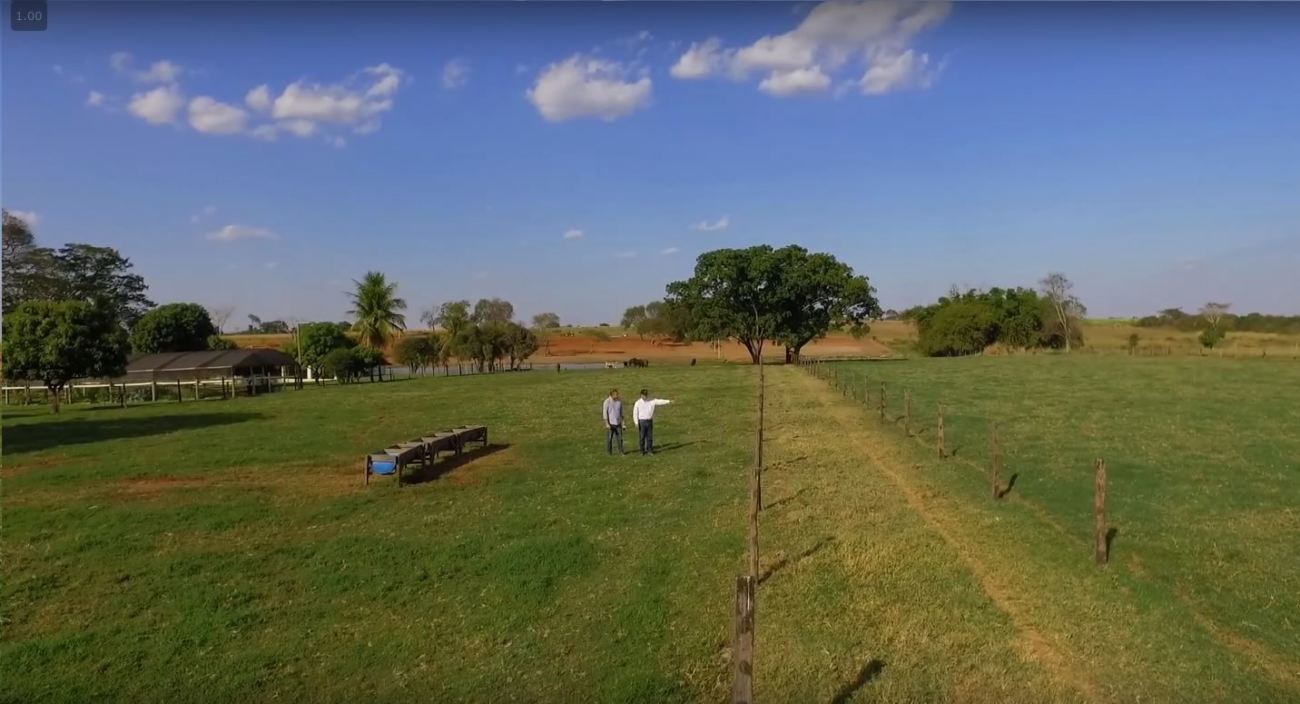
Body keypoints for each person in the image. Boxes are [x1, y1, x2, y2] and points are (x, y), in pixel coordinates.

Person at [632, 388, 672, 455]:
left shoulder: (651, 401)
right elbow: (635, 413)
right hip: (641, 422)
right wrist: (636, 422)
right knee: (642, 437)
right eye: (644, 395)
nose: (645, 396)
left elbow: (659, 401)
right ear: (641, 395)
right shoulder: (637, 403)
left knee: (649, 437)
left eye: (646, 395)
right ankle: (642, 451)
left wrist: (668, 401)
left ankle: (649, 450)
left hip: (649, 421)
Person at [602, 388, 625, 455]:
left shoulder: (619, 402)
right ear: (611, 395)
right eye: (615, 394)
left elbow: (621, 413)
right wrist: (607, 423)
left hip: (618, 423)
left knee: (620, 439)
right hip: (610, 424)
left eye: (617, 394)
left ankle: (621, 452)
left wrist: (623, 423)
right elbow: (604, 414)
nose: (617, 396)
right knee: (609, 439)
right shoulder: (606, 402)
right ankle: (609, 453)